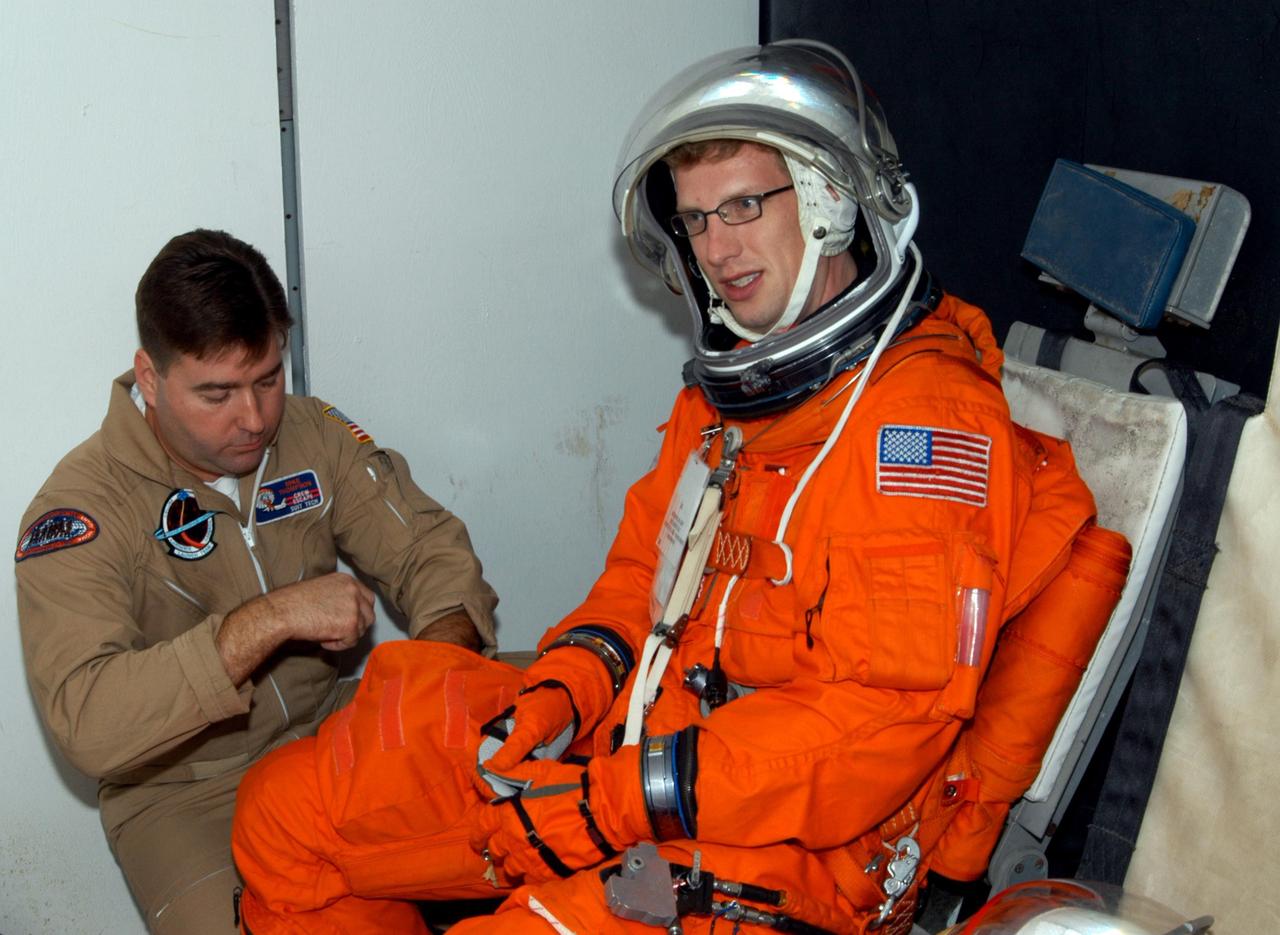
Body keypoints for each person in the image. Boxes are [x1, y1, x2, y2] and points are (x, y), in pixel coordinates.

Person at [231, 42, 1129, 934]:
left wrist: (624, 797)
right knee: (286, 813)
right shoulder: (731, 396)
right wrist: (565, 689)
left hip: (793, 853)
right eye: (697, 221)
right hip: (637, 759)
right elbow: (639, 581)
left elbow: (879, 723)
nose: (717, 248)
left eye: (743, 205)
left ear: (827, 196)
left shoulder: (919, 426)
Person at [14, 229, 498, 935]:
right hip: (183, 791)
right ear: (149, 378)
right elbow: (87, 721)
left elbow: (428, 549)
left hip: (332, 730)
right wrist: (265, 620)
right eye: (217, 393)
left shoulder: (309, 432)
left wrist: (435, 682)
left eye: (269, 377)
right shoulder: (80, 509)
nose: (255, 417)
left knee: (555, 805)